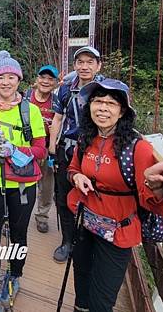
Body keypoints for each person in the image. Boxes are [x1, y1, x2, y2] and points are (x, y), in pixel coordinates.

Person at [67, 78, 163, 312]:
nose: (102, 108)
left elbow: (155, 204)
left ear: (122, 111)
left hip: (117, 232)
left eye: (110, 103)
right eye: (98, 101)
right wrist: (77, 178)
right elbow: (73, 169)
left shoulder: (137, 147)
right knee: (81, 278)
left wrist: (155, 185)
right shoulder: (85, 138)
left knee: (101, 300)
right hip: (85, 220)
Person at [0, 50, 47, 311]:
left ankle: (14, 276)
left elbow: (41, 149)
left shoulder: (31, 111)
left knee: (18, 235)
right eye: (0, 77)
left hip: (22, 186)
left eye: (11, 77)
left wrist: (16, 151)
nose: (6, 82)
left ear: (19, 80)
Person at [49, 46, 104, 263]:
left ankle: (89, 243)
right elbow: (57, 119)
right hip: (68, 149)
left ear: (98, 65)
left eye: (90, 61)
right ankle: (67, 241)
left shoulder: (105, 90)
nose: (84, 66)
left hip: (95, 152)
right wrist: (52, 149)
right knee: (64, 197)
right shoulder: (64, 90)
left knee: (94, 198)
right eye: (80, 62)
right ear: (74, 65)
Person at [24, 64, 60, 233]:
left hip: (46, 148)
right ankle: (15, 216)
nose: (45, 81)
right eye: (42, 77)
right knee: (20, 183)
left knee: (46, 185)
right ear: (36, 79)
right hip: (25, 147)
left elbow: (60, 123)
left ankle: (42, 217)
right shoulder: (25, 96)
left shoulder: (57, 101)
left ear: (55, 83)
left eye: (50, 79)